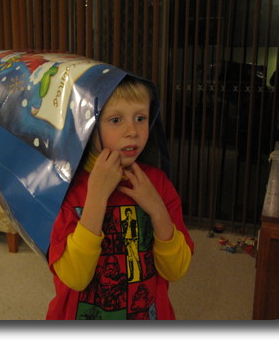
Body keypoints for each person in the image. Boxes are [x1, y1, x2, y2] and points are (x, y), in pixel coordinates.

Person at [46, 76, 194, 320]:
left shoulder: (157, 184)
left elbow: (176, 270)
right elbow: (75, 278)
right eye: (115, 120)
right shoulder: (66, 188)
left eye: (140, 118)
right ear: (88, 126)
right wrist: (96, 197)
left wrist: (157, 209)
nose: (132, 132)